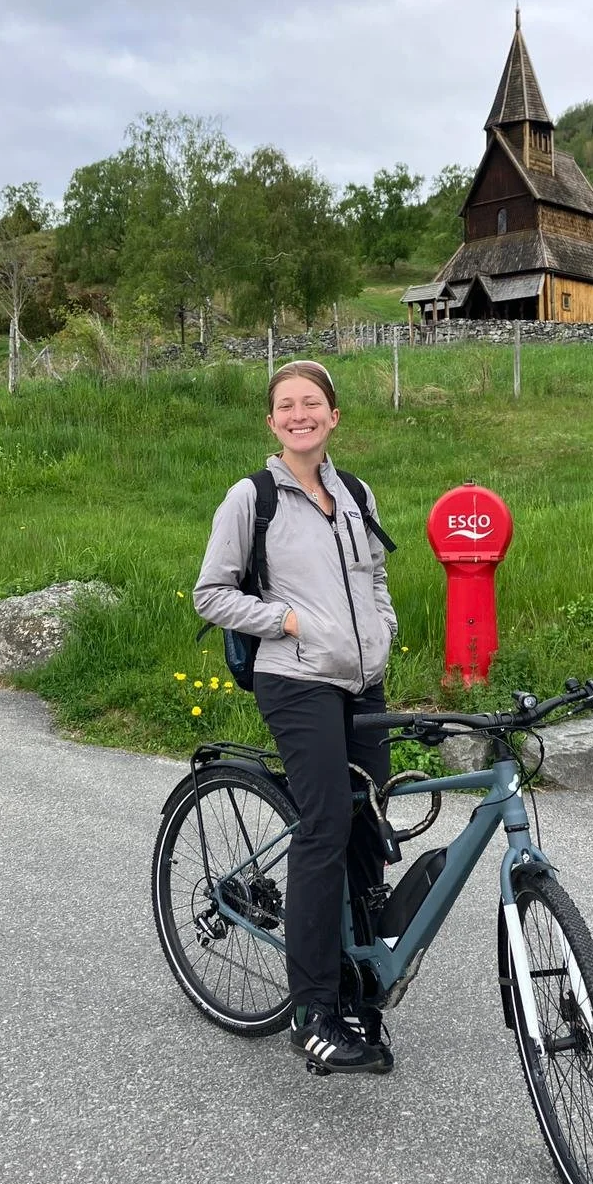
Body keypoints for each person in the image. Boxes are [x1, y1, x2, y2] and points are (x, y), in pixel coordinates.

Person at [193, 360, 397, 1075]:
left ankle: (360, 990)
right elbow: (210, 594)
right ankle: (315, 1009)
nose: (300, 414)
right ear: (272, 422)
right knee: (326, 827)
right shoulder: (252, 498)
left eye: (312, 403)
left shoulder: (356, 492)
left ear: (334, 416)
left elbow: (375, 577)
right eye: (287, 406)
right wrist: (282, 620)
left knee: (372, 828)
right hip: (296, 679)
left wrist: (382, 629)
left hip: (362, 679)